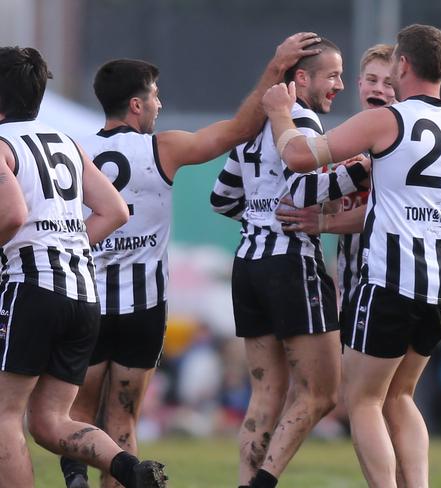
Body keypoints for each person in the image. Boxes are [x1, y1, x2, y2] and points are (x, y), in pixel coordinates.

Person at [58, 33, 321, 488]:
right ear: (137, 105)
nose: (159, 105)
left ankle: (76, 477)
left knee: (78, 412)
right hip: (142, 308)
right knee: (123, 422)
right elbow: (241, 127)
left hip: (88, 302)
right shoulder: (164, 149)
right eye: (155, 97)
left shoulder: (73, 151)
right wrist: (276, 68)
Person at [263, 24, 441, 488]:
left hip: (391, 279)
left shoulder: (389, 119)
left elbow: (300, 156)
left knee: (362, 400)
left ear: (403, 65)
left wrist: (280, 114)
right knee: (401, 396)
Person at [0, 46, 167, 488]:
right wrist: (65, 246)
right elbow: (114, 210)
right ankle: (132, 469)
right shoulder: (65, 142)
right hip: (81, 293)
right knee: (50, 421)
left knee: (4, 416)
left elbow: (12, 215)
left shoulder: (1, 145)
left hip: (30, 289)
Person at [211, 38, 369, 488]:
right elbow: (301, 194)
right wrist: (357, 170)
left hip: (248, 264)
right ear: (302, 78)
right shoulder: (299, 119)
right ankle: (263, 484)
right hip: (290, 264)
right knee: (321, 393)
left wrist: (261, 213)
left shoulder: (253, 129)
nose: (340, 84)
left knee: (265, 394)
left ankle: (246, 483)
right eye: (333, 75)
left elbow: (221, 200)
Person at [276, 43, 395, 315]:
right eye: (372, 80)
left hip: (385, 280)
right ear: (359, 83)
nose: (378, 89)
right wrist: (330, 198)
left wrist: (324, 222)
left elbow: (389, 209)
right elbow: (327, 203)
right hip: (351, 281)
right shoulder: (344, 141)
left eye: (388, 83)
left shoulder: (398, 143)